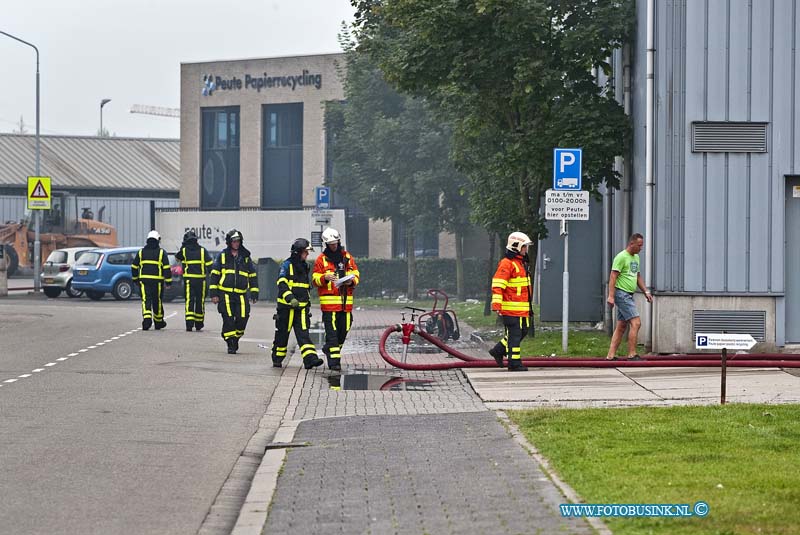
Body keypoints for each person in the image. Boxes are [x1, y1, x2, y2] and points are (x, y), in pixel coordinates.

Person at [312, 227, 360, 371]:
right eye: (331, 244)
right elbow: (314, 280)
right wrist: (324, 277)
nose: (334, 246)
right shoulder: (321, 259)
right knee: (332, 335)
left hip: (346, 304)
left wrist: (350, 281)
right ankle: (334, 363)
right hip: (329, 306)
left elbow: (355, 273)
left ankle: (329, 349)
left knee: (343, 330)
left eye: (336, 243)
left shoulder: (347, 257)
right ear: (326, 244)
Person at [271, 238, 324, 370]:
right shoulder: (286, 265)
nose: (307, 255)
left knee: (303, 334)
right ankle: (277, 358)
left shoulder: (305, 266)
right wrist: (290, 298)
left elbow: (305, 287)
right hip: (286, 308)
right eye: (305, 252)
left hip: (302, 308)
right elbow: (281, 283)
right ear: (298, 252)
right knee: (282, 334)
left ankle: (310, 359)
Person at [488, 231, 534, 371]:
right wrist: (497, 306)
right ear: (516, 247)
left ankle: (498, 350)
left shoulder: (520, 264)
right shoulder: (507, 264)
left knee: (523, 331)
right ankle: (514, 363)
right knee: (514, 335)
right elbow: (498, 285)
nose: (526, 249)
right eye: (524, 246)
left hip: (522, 309)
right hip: (511, 309)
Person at [208, 229, 259, 354]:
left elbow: (252, 275)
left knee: (243, 318)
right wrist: (214, 294)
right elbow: (214, 275)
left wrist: (254, 292)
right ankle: (231, 342)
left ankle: (234, 337)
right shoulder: (223, 255)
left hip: (241, 294)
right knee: (228, 318)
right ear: (229, 242)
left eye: (238, 241)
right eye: (234, 241)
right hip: (225, 294)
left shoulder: (245, 257)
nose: (237, 243)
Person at [606, 233, 653, 360]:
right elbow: (613, 276)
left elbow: (637, 276)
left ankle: (610, 356)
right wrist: (611, 296)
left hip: (629, 295)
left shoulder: (636, 258)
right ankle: (632, 354)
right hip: (621, 294)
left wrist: (646, 292)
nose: (641, 248)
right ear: (631, 244)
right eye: (639, 245)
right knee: (636, 323)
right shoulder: (621, 257)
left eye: (642, 245)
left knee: (621, 326)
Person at [131, 230, 172, 331]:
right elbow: (166, 268)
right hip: (157, 282)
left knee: (146, 300)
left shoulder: (141, 252)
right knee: (157, 300)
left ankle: (147, 318)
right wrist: (168, 282)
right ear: (158, 240)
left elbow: (134, 266)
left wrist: (135, 279)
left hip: (144, 281)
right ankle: (158, 322)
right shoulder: (161, 252)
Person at [175, 229, 213, 332]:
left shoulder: (184, 251)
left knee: (189, 301)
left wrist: (183, 246)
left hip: (189, 281)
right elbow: (210, 266)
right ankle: (199, 323)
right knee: (200, 301)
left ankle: (189, 324)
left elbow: (177, 258)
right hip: (201, 280)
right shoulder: (202, 250)